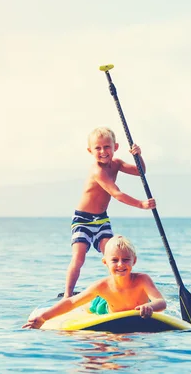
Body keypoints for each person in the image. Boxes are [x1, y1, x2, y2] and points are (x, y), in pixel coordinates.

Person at [64, 127, 156, 298]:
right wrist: (141, 204)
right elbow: (116, 193)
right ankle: (67, 295)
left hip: (101, 220)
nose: (103, 151)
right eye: (97, 148)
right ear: (90, 151)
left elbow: (140, 171)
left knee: (113, 256)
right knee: (79, 257)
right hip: (82, 220)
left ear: (116, 147)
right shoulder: (97, 171)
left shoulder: (117, 164)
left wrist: (138, 156)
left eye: (107, 147)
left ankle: (118, 290)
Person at [23, 236, 166, 329]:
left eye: (126, 259)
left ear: (134, 261)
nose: (120, 264)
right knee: (92, 305)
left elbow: (161, 302)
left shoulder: (143, 279)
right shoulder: (102, 286)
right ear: (105, 262)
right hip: (104, 309)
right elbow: (72, 303)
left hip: (135, 312)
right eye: (114, 260)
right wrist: (43, 317)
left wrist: (149, 306)